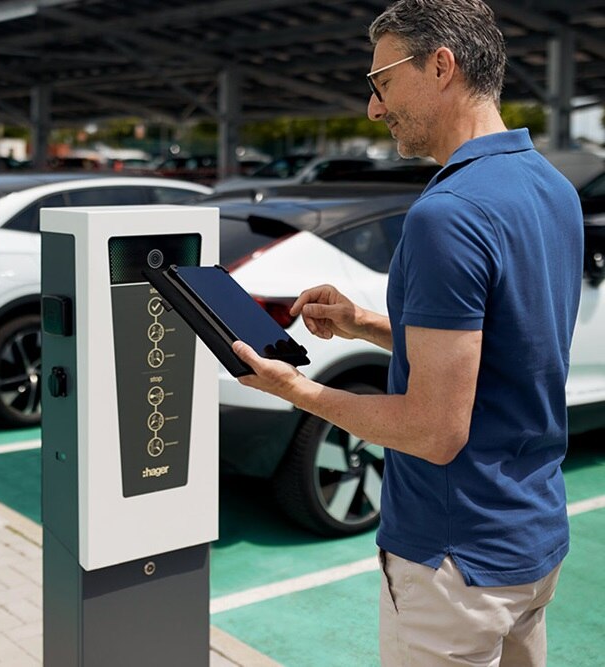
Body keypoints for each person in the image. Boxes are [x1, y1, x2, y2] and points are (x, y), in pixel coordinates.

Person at [230, 1, 584, 664]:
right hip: (530, 538)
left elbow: (432, 430)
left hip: (452, 560)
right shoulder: (550, 187)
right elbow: (503, 350)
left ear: (441, 66)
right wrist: (364, 324)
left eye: (383, 81)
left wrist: (295, 389)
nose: (372, 106)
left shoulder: (446, 213)